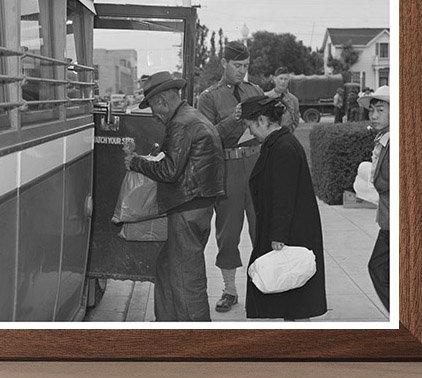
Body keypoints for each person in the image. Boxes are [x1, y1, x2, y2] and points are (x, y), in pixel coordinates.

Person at [124, 71, 225, 321]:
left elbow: (169, 171)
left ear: (162, 101)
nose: (154, 115)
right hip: (198, 205)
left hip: (187, 208)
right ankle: (166, 323)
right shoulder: (191, 116)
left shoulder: (180, 123)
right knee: (167, 268)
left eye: (153, 108)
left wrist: (136, 162)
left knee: (186, 279)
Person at [240, 94, 327, 320]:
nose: (250, 132)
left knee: (295, 298)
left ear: (262, 120)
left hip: (290, 234)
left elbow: (284, 196)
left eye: (250, 126)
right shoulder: (278, 143)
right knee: (291, 298)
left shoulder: (283, 147)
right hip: (289, 230)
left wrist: (278, 235)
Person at [196, 41, 264, 313]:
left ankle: (263, 287)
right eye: (237, 65)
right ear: (224, 63)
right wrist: (233, 119)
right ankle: (230, 290)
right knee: (228, 232)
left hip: (256, 164)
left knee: (262, 227)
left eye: (245, 66)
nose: (241, 71)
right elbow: (205, 137)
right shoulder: (208, 97)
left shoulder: (254, 91)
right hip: (228, 169)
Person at [359, 84, 391, 311]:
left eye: (380, 110)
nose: (374, 115)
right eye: (372, 111)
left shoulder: (394, 143)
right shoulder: (384, 140)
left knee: (378, 268)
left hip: (395, 222)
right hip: (388, 219)